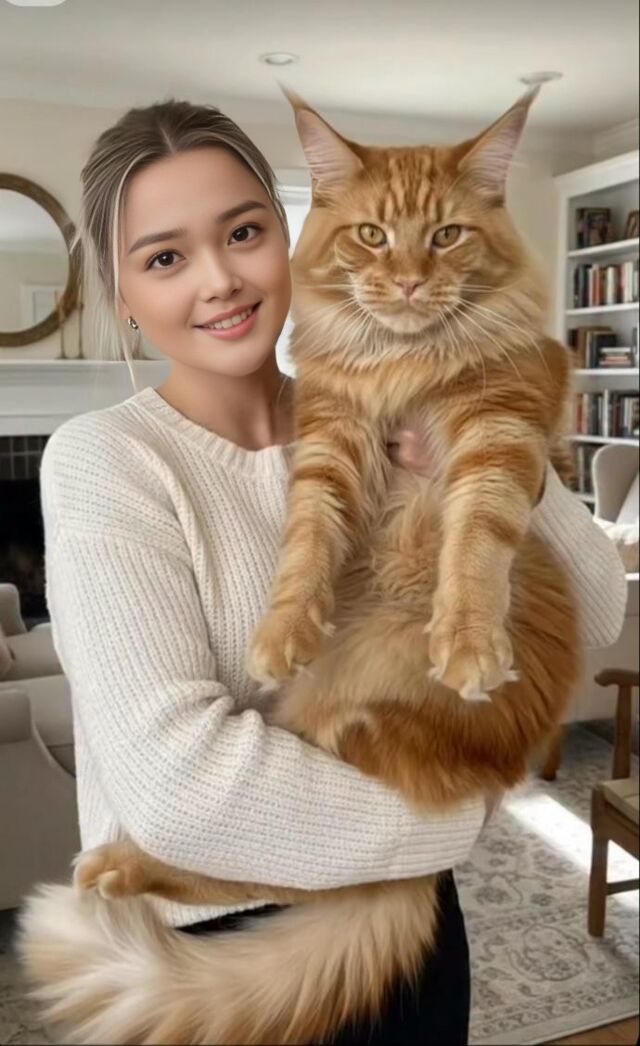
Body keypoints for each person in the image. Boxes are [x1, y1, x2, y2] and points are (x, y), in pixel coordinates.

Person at [39, 99, 627, 1045]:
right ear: (123, 295)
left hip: (415, 937)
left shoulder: (385, 400)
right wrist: (453, 820)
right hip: (220, 927)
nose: (221, 280)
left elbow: (596, 612)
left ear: (288, 237)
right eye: (165, 257)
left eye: (243, 232)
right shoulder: (106, 459)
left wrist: (496, 441)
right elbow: (176, 790)